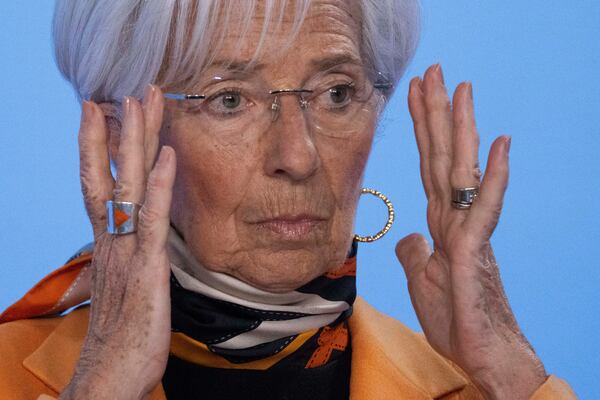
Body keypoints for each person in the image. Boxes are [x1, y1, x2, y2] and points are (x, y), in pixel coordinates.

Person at [0, 1, 576, 399]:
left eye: (336, 93)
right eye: (229, 101)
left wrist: (507, 370)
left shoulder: (477, 388)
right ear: (121, 135)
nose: (298, 156)